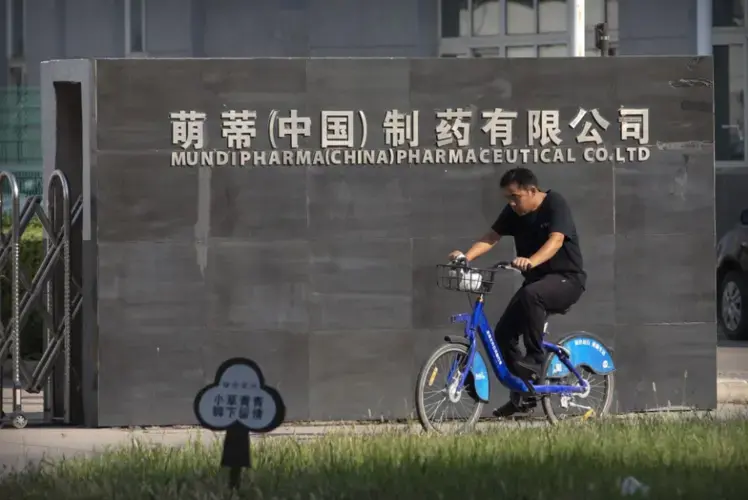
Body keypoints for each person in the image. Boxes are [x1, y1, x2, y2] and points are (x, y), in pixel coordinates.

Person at [448, 167, 587, 418]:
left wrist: (531, 261)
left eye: (515, 197)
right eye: (508, 199)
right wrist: (465, 257)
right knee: (502, 335)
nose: (511, 203)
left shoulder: (555, 203)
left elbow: (555, 240)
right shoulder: (514, 211)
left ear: (532, 191)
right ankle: (524, 393)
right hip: (536, 283)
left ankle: (534, 361)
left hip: (567, 280)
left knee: (532, 295)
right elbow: (492, 237)